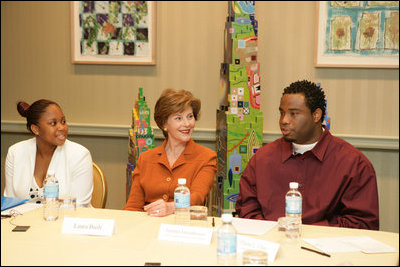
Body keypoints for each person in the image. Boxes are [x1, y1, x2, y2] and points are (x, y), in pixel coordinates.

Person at [235, 80, 379, 230]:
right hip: (271, 246)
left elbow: (362, 224)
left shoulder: (353, 164)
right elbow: (247, 209)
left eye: (293, 114)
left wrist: (305, 233)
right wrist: (274, 234)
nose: (284, 120)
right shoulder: (262, 159)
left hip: (327, 250)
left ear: (316, 115)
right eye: (282, 113)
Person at [124, 89, 217, 216]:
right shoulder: (145, 158)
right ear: (164, 124)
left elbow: (197, 197)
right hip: (149, 225)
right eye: (178, 118)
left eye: (190, 116)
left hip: (184, 227)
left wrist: (171, 207)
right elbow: (133, 207)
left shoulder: (207, 157)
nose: (187, 124)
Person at [4, 99, 93, 207]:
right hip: (24, 222)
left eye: (63, 121)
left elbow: (79, 206)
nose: (62, 127)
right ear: (35, 129)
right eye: (53, 123)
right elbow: (10, 202)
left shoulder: (80, 155)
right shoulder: (15, 153)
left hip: (66, 221)